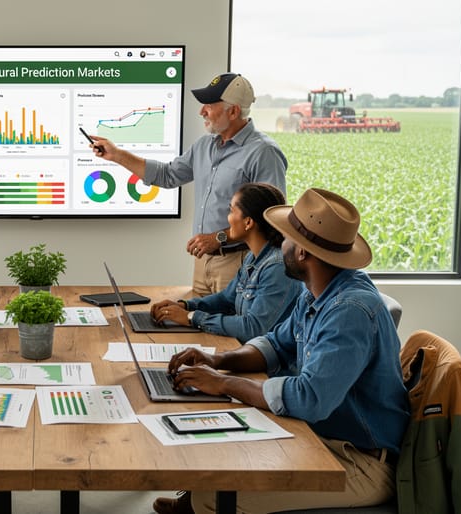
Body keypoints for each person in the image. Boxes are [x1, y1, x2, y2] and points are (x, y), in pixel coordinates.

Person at [152, 188, 410, 514]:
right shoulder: (317, 290)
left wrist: (224, 382)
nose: (280, 243)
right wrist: (217, 360)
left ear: (302, 252)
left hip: (359, 460)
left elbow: (309, 398)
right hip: (324, 436)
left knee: (213, 497)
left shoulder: (349, 312)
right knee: (210, 446)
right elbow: (274, 344)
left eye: (286, 237)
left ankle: (200, 504)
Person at [89, 73, 287, 297]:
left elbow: (271, 218)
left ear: (233, 111)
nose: (202, 111)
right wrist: (116, 155)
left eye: (210, 105)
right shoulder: (204, 146)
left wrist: (218, 238)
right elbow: (167, 175)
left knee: (229, 331)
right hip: (203, 262)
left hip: (238, 262)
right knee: (196, 328)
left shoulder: (263, 152)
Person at [150, 182, 302, 343]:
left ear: (248, 222)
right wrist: (185, 306)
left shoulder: (277, 268)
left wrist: (191, 317)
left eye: (231, 211)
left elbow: (254, 328)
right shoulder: (253, 258)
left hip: (267, 366)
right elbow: (226, 299)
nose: (227, 218)